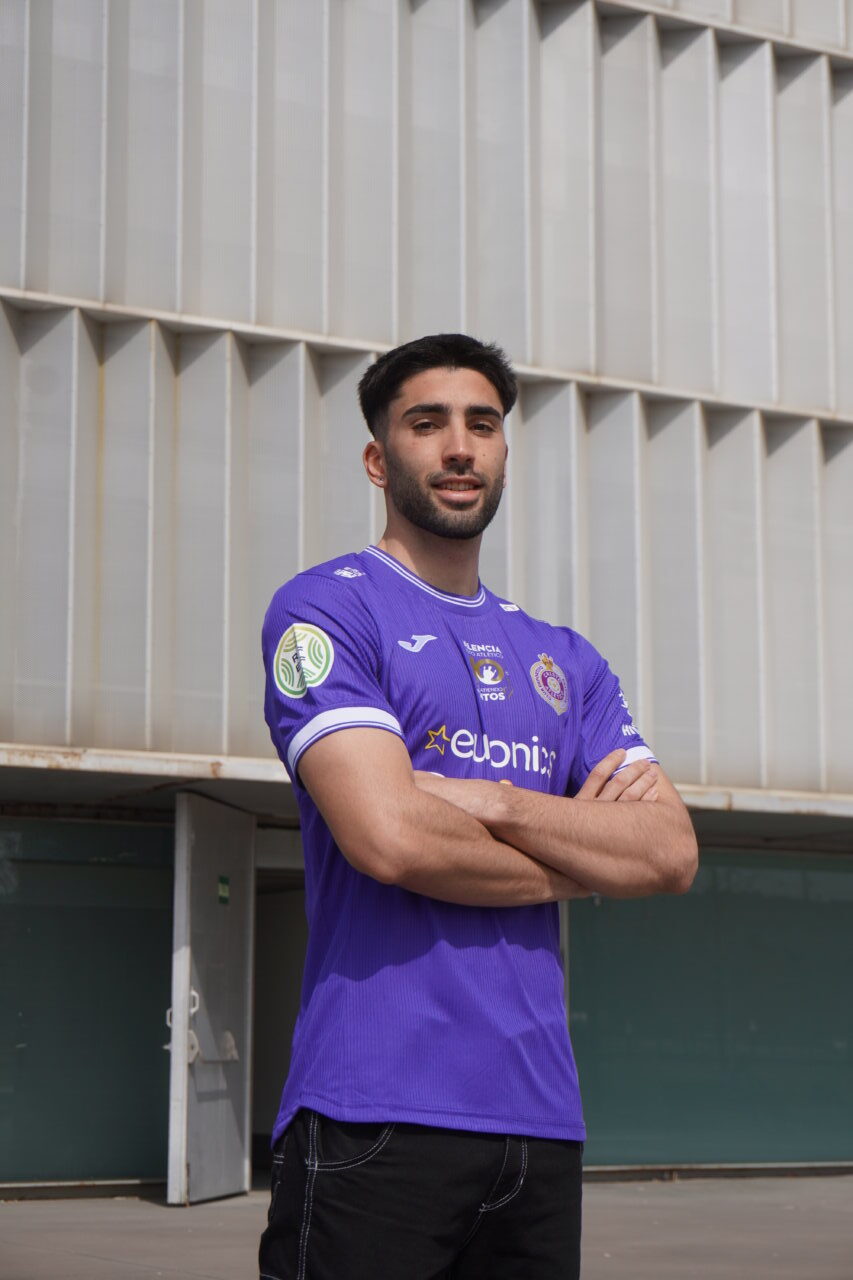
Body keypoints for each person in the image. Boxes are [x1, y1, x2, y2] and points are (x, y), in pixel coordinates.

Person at [258, 333, 697, 1280]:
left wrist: (491, 798)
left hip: (541, 1123)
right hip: (374, 1113)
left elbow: (667, 852)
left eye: (482, 425)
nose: (459, 446)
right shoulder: (327, 612)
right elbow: (389, 838)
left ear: (502, 452)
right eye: (427, 424)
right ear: (378, 460)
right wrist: (579, 862)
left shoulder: (567, 660)